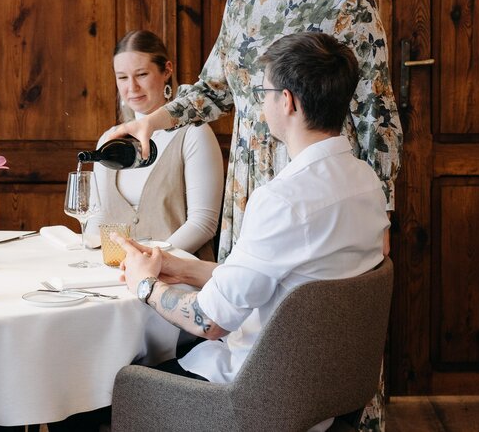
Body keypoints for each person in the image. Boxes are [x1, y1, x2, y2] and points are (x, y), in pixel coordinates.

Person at [105, 0, 401, 263]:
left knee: (309, 293)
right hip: (249, 181)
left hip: (317, 180)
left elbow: (376, 113)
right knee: (248, 295)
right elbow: (214, 89)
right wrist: (151, 123)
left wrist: (381, 212)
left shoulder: (346, 1)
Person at [116, 32, 389, 431]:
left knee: (93, 396)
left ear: (287, 101)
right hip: (321, 396)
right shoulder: (367, 182)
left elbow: (209, 321)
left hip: (249, 398)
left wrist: (145, 286)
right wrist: (180, 267)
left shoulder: (283, 199)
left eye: (264, 92)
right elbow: (281, 282)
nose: (261, 103)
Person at [84, 30, 223, 259]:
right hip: (118, 271)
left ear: (167, 70)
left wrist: (151, 260)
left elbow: (203, 224)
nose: (132, 87)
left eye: (141, 74)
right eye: (122, 77)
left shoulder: (194, 134)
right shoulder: (108, 139)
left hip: (181, 270)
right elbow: (97, 217)